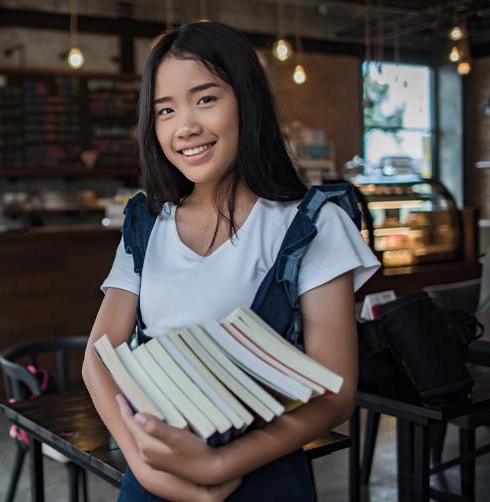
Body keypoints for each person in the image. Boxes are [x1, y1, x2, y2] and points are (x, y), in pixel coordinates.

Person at [81, 21, 380, 501]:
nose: (186, 126)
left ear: (246, 100)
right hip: (151, 479)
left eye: (205, 99)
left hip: (262, 479)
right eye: (165, 110)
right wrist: (144, 467)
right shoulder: (147, 222)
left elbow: (337, 393)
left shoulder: (312, 225)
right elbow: (98, 358)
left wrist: (218, 463)